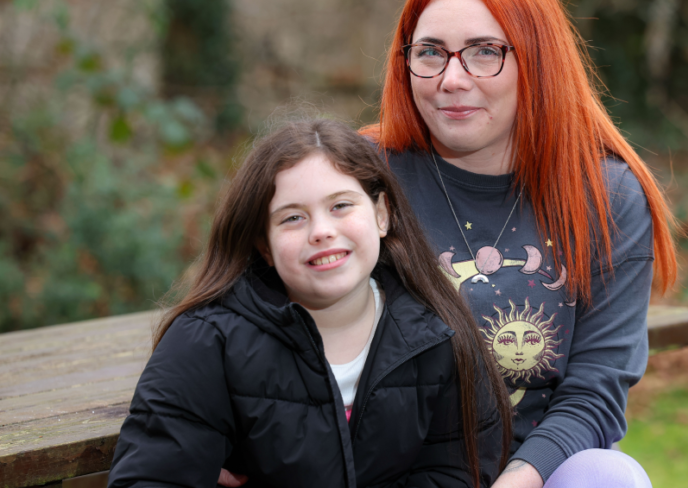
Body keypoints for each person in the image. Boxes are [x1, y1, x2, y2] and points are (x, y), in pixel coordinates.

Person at [357, 0, 678, 488]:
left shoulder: (606, 196)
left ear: (538, 58)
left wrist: (518, 481)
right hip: (387, 466)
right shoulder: (360, 179)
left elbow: (595, 392)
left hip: (534, 472)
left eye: (485, 52)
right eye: (431, 52)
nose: (452, 79)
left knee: (607, 477)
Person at [107, 120, 512, 488]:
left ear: (382, 215)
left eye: (340, 206)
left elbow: (455, 475)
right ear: (263, 245)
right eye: (292, 218)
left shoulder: (438, 337)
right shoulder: (206, 342)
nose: (321, 231)